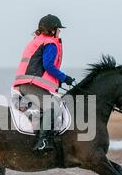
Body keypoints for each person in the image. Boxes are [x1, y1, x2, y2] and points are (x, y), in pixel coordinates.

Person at [12, 14, 75, 151]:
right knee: (53, 107)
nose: (59, 32)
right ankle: (43, 141)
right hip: (30, 83)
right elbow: (49, 66)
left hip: (26, 82)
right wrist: (65, 78)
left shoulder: (37, 41)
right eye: (58, 29)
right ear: (52, 30)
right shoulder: (50, 43)